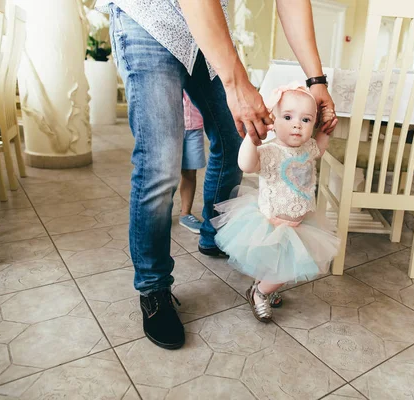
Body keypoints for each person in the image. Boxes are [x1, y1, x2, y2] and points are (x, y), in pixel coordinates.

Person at [98, 0, 338, 350]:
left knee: (234, 138)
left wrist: (316, 81)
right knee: (161, 164)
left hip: (206, 33)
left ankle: (214, 234)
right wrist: (236, 82)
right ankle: (154, 287)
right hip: (148, 17)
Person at [212, 83, 340, 322]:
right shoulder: (269, 151)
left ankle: (266, 286)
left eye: (306, 120)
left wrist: (326, 128)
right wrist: (253, 139)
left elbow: (320, 147)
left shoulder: (308, 147)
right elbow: (246, 165)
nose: (296, 125)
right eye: (288, 117)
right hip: (271, 222)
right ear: (273, 120)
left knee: (282, 262)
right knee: (286, 267)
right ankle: (259, 292)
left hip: (300, 224)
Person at [178, 91, 206, 234]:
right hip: (171, 127)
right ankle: (160, 214)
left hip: (195, 127)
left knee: (190, 171)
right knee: (166, 174)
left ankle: (185, 214)